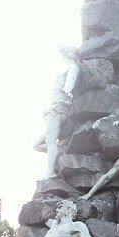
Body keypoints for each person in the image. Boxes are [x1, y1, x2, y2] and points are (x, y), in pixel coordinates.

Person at [33, 45, 80, 179]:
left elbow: (70, 81)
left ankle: (50, 172)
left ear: (66, 55)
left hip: (57, 109)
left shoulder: (72, 67)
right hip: (56, 109)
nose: (61, 58)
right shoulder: (70, 68)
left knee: (50, 141)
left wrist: (66, 92)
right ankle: (62, 151)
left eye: (62, 55)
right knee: (37, 145)